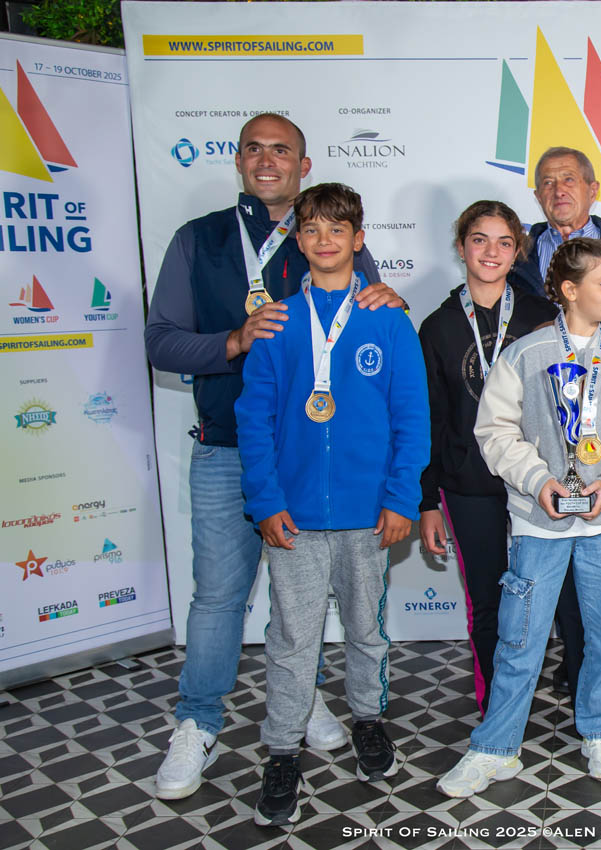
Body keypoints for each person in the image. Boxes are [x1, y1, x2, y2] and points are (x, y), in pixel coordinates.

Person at [144, 114, 407, 800]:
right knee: (219, 598)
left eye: (281, 150)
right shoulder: (199, 239)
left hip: (325, 472)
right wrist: (232, 341)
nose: (267, 160)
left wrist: (390, 299)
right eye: (254, 149)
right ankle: (198, 721)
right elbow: (160, 342)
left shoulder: (326, 235)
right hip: (230, 449)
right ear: (237, 160)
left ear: (302, 163)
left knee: (310, 613)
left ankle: (309, 704)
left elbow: (375, 331)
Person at [438, 238, 601, 797]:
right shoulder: (523, 356)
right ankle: (496, 747)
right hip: (538, 525)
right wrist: (539, 480)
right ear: (569, 289)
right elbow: (495, 431)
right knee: (520, 637)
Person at [235, 182, 429, 824]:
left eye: (337, 229)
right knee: (293, 637)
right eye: (313, 229)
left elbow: (411, 418)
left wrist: (401, 497)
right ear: (298, 240)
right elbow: (254, 421)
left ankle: (368, 719)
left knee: (366, 629)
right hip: (293, 517)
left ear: (358, 239)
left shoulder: (389, 320)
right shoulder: (277, 322)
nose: (324, 240)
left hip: (369, 514)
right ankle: (282, 750)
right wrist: (265, 501)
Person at [416, 201, 558, 718]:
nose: (491, 252)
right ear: (461, 248)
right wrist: (427, 501)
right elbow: (429, 419)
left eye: (504, 242)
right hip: (468, 483)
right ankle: (497, 706)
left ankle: (569, 692)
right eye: (479, 239)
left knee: (551, 595)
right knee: (487, 599)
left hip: (537, 482)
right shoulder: (438, 327)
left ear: (517, 252)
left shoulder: (543, 318)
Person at [507, 146, 601, 337]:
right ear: (538, 196)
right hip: (536, 355)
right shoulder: (515, 258)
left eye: (568, 179)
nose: (559, 191)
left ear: (593, 191)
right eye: (548, 182)